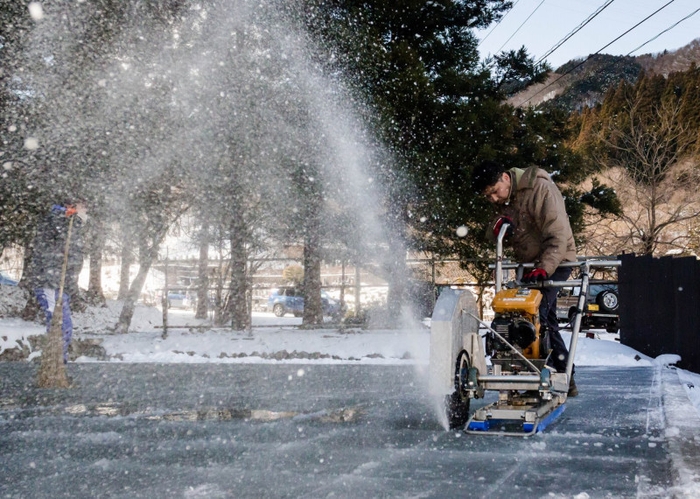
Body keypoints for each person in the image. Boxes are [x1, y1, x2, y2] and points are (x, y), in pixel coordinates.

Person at [471, 160, 578, 397]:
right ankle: (562, 375)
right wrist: (496, 228)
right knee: (532, 316)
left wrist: (544, 267)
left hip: (557, 260)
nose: (494, 199)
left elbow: (558, 235)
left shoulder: (541, 189)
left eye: (495, 192)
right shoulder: (505, 199)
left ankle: (541, 375)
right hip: (530, 265)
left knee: (535, 316)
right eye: (488, 197)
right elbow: (496, 234)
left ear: (506, 178)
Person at [31, 200, 87, 364]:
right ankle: (55, 361)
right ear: (74, 207)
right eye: (83, 206)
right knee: (59, 322)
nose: (87, 210)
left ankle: (58, 362)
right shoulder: (62, 222)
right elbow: (54, 252)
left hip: (61, 285)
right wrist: (67, 215)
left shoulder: (71, 225)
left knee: (63, 323)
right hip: (50, 283)